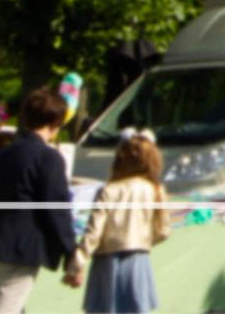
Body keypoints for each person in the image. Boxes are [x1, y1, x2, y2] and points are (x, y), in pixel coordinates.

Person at [0, 88, 77, 314]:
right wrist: (71, 251)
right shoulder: (48, 157)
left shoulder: (0, 155)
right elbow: (56, 208)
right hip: (19, 251)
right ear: (57, 121)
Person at [64, 130, 170, 314]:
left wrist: (76, 266)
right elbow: (163, 231)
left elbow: (93, 233)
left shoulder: (109, 190)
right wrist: (144, 240)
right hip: (139, 258)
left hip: (107, 260)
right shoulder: (155, 190)